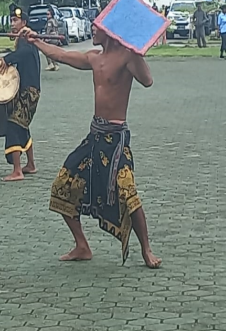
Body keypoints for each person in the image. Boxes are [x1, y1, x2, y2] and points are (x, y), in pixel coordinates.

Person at [19, 21, 161, 269]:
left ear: (110, 31)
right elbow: (60, 55)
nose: (92, 31)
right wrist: (35, 40)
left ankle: (146, 250)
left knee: (127, 193)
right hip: (94, 136)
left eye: (96, 27)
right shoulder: (95, 58)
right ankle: (82, 246)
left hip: (115, 140)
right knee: (62, 185)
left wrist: (137, 53)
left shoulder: (127, 57)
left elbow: (147, 80)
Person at [0, 4, 40, 182]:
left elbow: (23, 53)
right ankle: (31, 164)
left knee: (13, 125)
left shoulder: (26, 39)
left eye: (16, 20)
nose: (12, 24)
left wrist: (7, 60)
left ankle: (17, 170)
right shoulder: (25, 37)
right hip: (29, 90)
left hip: (29, 92)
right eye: (11, 20)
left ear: (24, 22)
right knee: (22, 125)